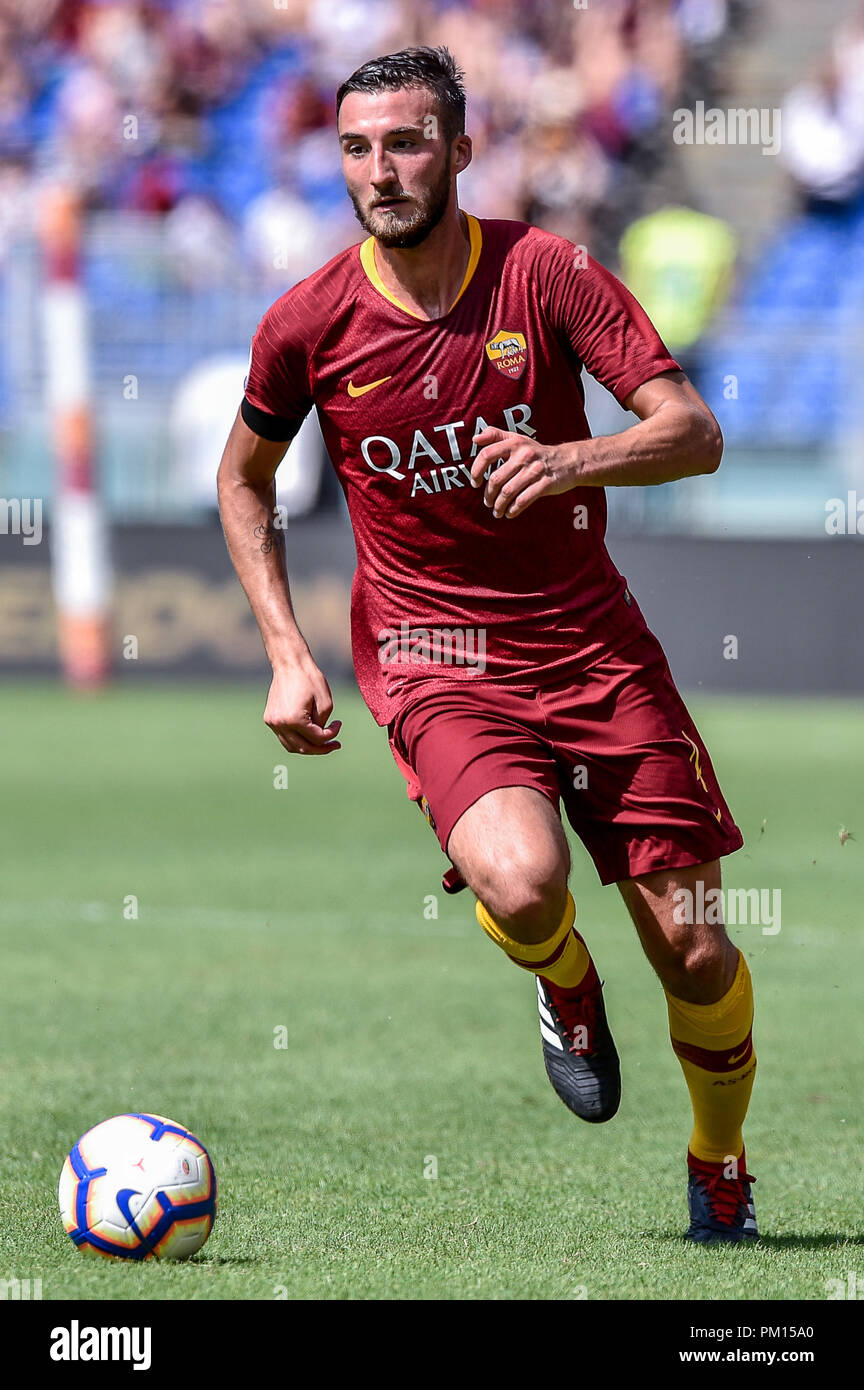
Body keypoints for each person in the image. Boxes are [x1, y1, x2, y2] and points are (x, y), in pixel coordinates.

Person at [217, 46, 757, 1244]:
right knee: (523, 879)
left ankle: (718, 1162)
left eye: (407, 143)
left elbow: (693, 430)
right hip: (432, 650)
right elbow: (242, 482)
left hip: (593, 647)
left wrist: (571, 457)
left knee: (701, 954)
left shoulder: (548, 274)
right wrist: (286, 652)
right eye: (357, 147)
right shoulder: (307, 321)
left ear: (460, 150)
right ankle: (564, 979)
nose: (381, 170)